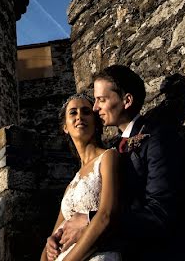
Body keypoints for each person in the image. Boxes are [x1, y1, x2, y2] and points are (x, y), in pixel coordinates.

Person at [58, 65, 185, 261]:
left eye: (101, 100)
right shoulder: (112, 148)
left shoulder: (156, 140)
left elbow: (159, 215)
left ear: (126, 100)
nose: (95, 108)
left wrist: (90, 219)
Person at [42, 94, 121, 261]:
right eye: (73, 112)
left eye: (86, 112)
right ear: (65, 127)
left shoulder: (108, 157)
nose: (79, 116)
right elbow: (52, 239)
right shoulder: (70, 186)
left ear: (95, 121)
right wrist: (49, 243)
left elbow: (106, 215)